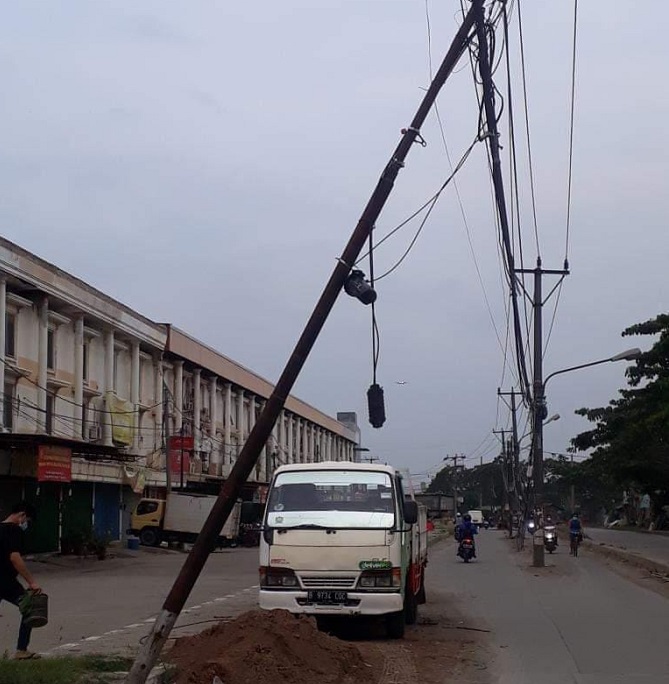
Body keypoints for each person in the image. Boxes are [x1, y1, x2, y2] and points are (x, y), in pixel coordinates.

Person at [0, 502, 41, 660]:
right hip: (6, 582)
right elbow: (15, 558)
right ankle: (21, 650)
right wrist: (31, 582)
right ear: (22, 515)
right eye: (27, 520)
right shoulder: (13, 530)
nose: (26, 524)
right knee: (29, 608)